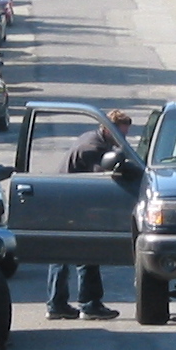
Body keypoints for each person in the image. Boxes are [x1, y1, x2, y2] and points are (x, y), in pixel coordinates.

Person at [48, 109, 132, 320]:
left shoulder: (93, 138)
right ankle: (90, 304)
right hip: (71, 203)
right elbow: (102, 179)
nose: (123, 139)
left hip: (65, 200)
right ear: (106, 128)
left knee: (61, 254)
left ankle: (57, 304)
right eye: (120, 134)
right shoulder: (93, 147)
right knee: (87, 252)